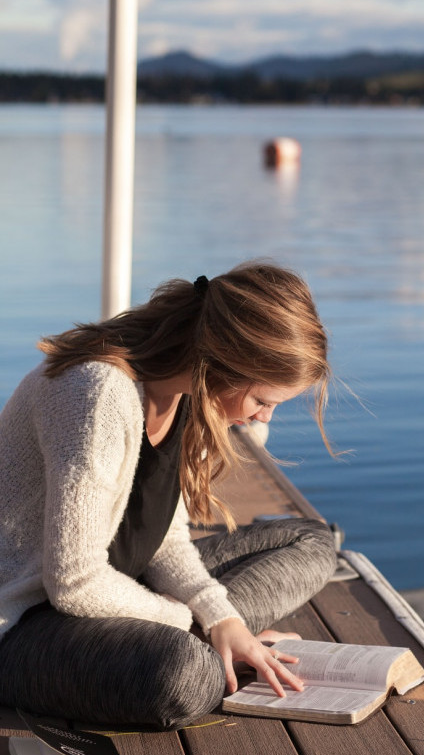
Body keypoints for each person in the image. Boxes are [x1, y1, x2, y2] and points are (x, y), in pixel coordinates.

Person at [0, 262, 337, 729]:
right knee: (182, 675)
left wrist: (222, 619)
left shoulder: (187, 396)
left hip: (121, 591)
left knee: (312, 542)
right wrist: (188, 621)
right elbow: (74, 582)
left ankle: (227, 643)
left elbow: (165, 539)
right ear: (222, 362)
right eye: (262, 401)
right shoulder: (97, 394)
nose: (264, 419)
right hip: (25, 621)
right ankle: (211, 651)